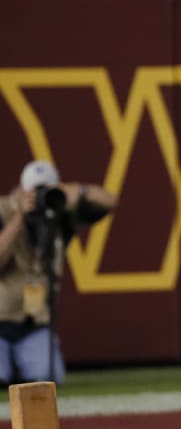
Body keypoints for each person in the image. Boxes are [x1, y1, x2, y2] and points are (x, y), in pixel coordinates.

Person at [0, 161, 116, 385]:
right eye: (36, 191)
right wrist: (20, 217)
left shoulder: (58, 214)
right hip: (1, 320)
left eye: (47, 190)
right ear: (22, 191)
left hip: (35, 323)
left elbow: (109, 202)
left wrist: (75, 191)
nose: (41, 197)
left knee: (47, 378)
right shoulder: (4, 211)